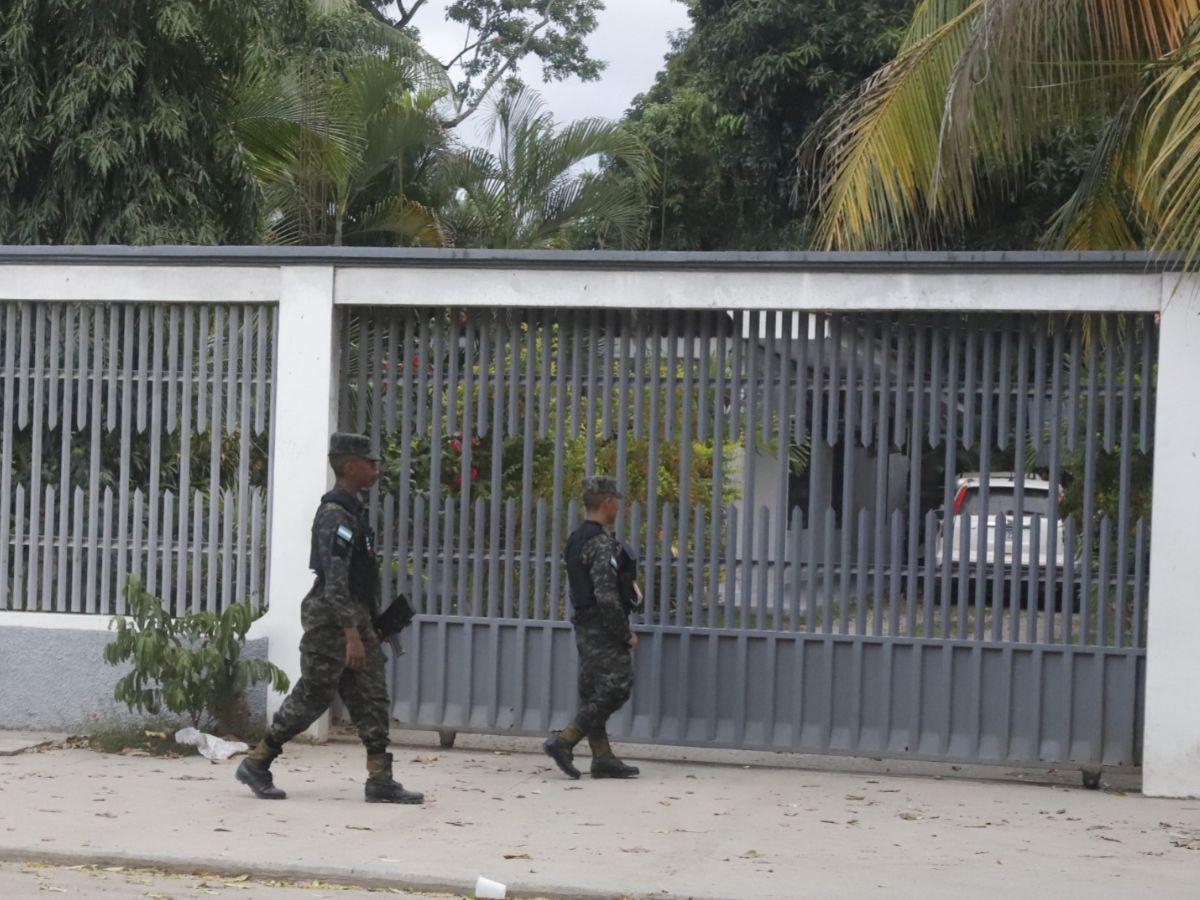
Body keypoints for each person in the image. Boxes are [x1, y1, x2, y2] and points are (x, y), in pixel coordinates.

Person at [236, 432, 423, 804]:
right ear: (350, 466)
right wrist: (352, 634)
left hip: (355, 619)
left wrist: (372, 624)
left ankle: (380, 779)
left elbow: (356, 580)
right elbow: (335, 582)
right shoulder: (334, 516)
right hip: (332, 623)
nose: (376, 468)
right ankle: (258, 761)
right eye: (370, 462)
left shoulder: (354, 511)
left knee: (372, 697)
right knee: (313, 695)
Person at [543, 476, 640, 780]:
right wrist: (624, 633)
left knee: (592, 689)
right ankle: (564, 741)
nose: (619, 508)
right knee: (617, 687)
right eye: (617, 502)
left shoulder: (576, 539)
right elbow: (607, 597)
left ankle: (602, 757)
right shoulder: (599, 543)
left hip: (584, 623)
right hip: (602, 627)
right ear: (608, 502)